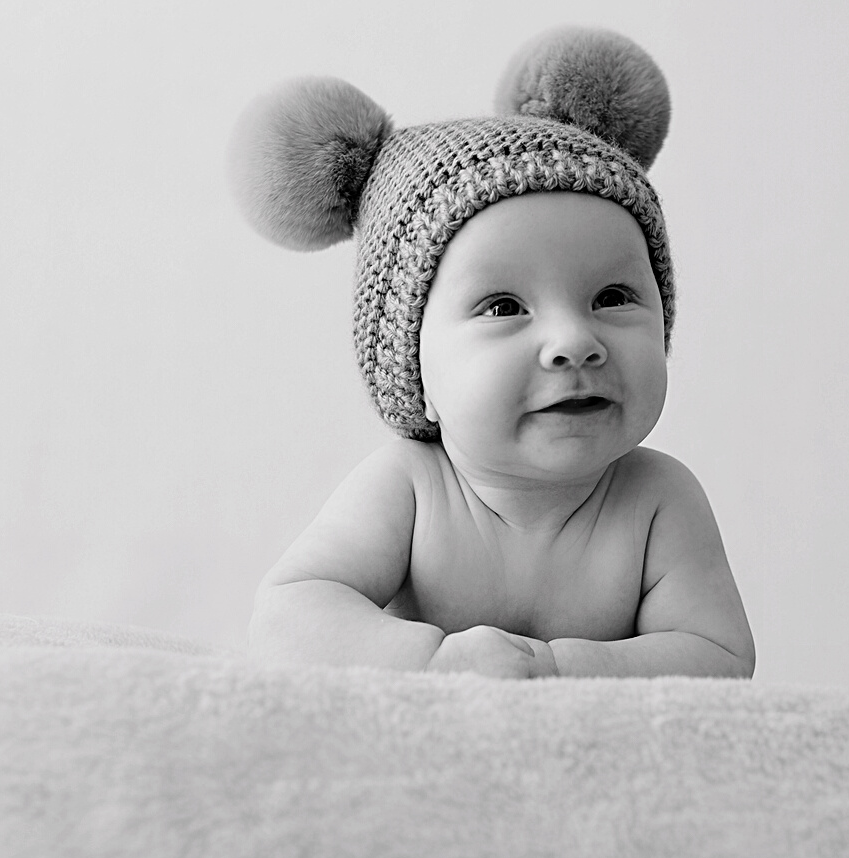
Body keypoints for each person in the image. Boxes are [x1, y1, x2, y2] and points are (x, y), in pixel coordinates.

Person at [229, 27, 753, 678]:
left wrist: (557, 669)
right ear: (413, 373)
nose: (573, 343)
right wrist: (436, 660)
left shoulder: (658, 499)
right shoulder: (410, 489)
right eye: (504, 308)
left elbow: (719, 656)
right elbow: (287, 617)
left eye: (613, 296)